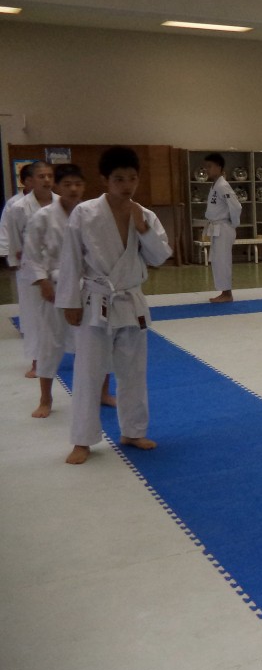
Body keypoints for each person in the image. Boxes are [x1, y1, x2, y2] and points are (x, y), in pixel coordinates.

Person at [57, 146, 173, 464]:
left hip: (130, 301)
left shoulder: (144, 215)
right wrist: (69, 301)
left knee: (133, 371)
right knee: (88, 372)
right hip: (95, 300)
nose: (127, 185)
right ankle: (82, 440)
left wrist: (144, 229)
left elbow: (160, 257)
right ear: (105, 180)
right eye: (119, 179)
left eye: (132, 178)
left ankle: (133, 431)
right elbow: (70, 259)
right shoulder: (85, 213)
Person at [23, 163, 116, 417]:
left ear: (84, 186)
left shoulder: (92, 214)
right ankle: (45, 399)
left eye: (78, 184)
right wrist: (43, 283)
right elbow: (31, 255)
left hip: (90, 286)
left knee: (100, 340)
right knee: (50, 342)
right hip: (55, 286)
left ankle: (103, 393)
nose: (73, 189)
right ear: (57, 186)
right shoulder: (43, 216)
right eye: (67, 184)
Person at [4, 160, 58, 377]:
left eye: (50, 176)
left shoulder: (63, 203)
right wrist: (19, 263)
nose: (46, 180)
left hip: (60, 266)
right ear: (30, 181)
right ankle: (37, 361)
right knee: (34, 316)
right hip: (31, 268)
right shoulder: (18, 207)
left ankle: (75, 354)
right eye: (41, 176)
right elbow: (14, 240)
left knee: (67, 311)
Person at [202, 153, 241, 303]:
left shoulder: (222, 186)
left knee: (223, 260)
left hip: (223, 227)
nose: (207, 170)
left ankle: (227, 294)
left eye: (210, 166)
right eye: (206, 167)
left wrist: (233, 223)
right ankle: (224, 291)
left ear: (219, 167)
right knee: (218, 260)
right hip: (217, 227)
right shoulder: (215, 185)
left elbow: (236, 206)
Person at [0, 161, 34, 260]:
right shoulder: (14, 203)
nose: (34, 183)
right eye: (29, 180)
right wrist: (4, 252)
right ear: (22, 182)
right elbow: (5, 228)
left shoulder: (55, 200)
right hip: (21, 253)